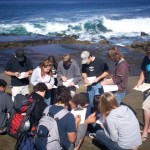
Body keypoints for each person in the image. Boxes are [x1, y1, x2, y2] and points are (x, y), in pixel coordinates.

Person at [48, 85, 96, 150]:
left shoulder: (47, 108)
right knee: (84, 124)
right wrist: (77, 122)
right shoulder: (68, 115)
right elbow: (72, 140)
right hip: (61, 146)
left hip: (48, 141)